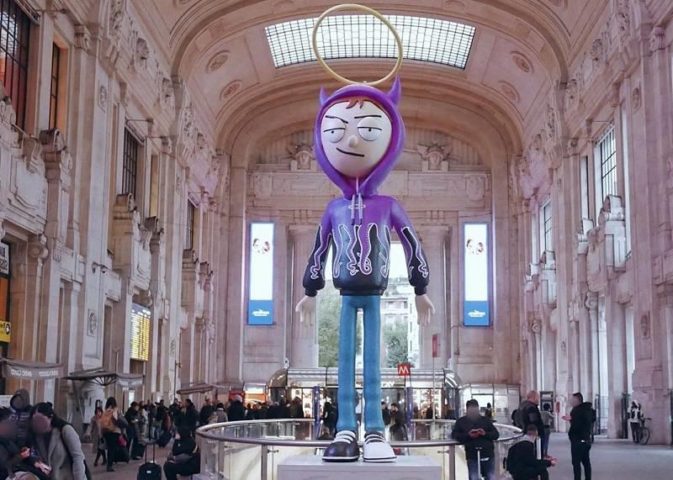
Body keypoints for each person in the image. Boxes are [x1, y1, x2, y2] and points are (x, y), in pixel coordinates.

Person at [30, 402, 87, 480]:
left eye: (40, 420)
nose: (37, 424)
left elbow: (78, 458)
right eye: (34, 421)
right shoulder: (37, 437)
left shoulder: (65, 430)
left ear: (50, 417)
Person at [451, 399, 500, 480]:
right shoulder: (461, 422)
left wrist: (485, 434)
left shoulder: (485, 420)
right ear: (467, 410)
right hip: (472, 454)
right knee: (474, 476)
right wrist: (468, 435)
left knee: (490, 476)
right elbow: (455, 435)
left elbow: (496, 435)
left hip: (487, 453)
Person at [562, 392, 593, 480]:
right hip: (586, 439)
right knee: (586, 462)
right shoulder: (587, 410)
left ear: (577, 400)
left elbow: (578, 426)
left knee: (576, 463)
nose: (571, 401)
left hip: (578, 440)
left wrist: (572, 419)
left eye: (572, 400)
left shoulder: (577, 411)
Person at [100, 397, 129, 471]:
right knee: (113, 448)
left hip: (106, 431)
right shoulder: (115, 410)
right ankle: (110, 465)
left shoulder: (105, 411)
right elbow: (117, 420)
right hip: (114, 431)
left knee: (110, 448)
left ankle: (110, 463)